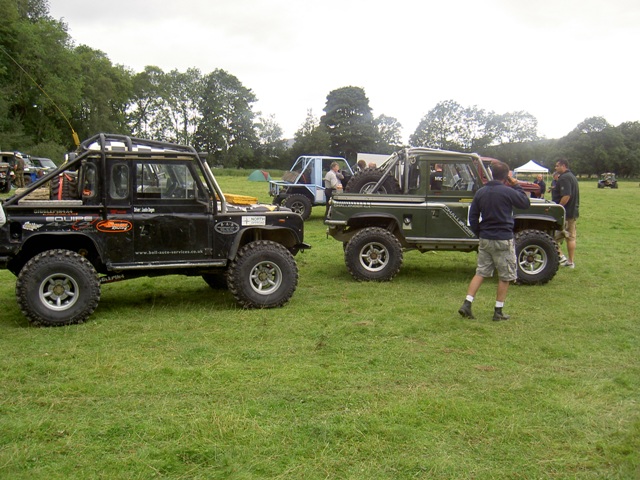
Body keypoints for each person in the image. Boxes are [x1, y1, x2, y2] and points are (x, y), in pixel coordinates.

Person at [458, 161, 530, 321]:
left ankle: (467, 303)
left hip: (485, 237)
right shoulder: (508, 191)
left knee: (481, 272)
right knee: (505, 275)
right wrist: (516, 185)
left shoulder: (481, 192)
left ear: (491, 173)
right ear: (506, 176)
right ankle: (498, 311)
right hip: (503, 238)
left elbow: (473, 216)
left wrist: (479, 232)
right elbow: (525, 203)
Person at [554, 158, 579, 269]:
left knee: (551, 236)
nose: (555, 168)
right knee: (571, 237)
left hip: (565, 213)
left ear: (563, 166)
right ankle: (570, 261)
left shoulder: (564, 178)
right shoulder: (572, 176)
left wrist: (558, 208)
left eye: (557, 166)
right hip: (573, 211)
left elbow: (566, 196)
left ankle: (562, 257)